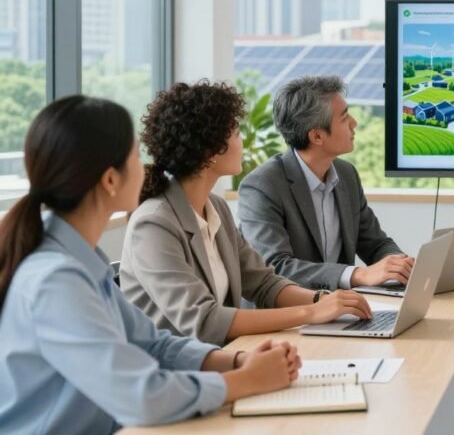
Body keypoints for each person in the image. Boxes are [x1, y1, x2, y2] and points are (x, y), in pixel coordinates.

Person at [0, 96, 300, 433]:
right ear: (110, 180)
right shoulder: (55, 281)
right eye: (134, 156)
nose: (146, 167)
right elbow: (140, 396)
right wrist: (244, 381)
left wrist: (235, 360)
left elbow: (153, 344)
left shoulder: (84, 261)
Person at [121, 81, 372, 347]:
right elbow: (204, 321)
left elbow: (263, 283)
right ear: (210, 151)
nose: (242, 143)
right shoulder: (153, 224)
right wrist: (311, 313)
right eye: (237, 134)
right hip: (173, 374)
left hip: (221, 358)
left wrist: (322, 300)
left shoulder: (215, 208)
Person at [238, 75, 414, 291]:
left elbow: (375, 243)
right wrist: (359, 274)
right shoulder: (262, 186)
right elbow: (276, 267)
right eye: (344, 117)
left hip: (338, 312)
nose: (354, 123)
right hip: (283, 317)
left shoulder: (346, 174)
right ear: (317, 136)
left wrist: (400, 266)